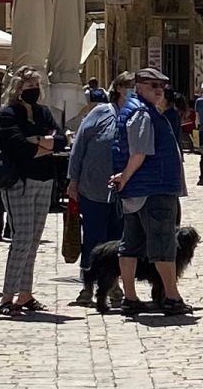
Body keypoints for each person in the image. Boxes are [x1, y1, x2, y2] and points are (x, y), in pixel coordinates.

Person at [109, 67, 191, 316]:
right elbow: (139, 152)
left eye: (162, 86)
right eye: (153, 86)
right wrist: (125, 177)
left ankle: (131, 297)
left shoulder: (140, 110)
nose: (159, 90)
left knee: (131, 243)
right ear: (139, 87)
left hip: (140, 188)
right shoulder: (142, 113)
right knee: (163, 243)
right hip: (153, 188)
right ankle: (171, 297)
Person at [0, 65, 66, 317]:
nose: (34, 90)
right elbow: (16, 147)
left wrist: (37, 142)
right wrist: (45, 145)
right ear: (17, 89)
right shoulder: (7, 114)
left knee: (34, 240)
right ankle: (7, 296)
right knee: (21, 239)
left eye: (36, 86)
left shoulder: (43, 112)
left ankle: (25, 293)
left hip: (45, 181)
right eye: (29, 86)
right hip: (20, 182)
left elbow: (61, 139)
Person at [68, 71, 133, 304]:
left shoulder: (137, 115)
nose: (133, 91)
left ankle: (113, 285)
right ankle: (87, 285)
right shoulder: (99, 112)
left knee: (118, 240)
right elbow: (79, 146)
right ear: (119, 89)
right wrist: (73, 180)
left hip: (123, 191)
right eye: (130, 86)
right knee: (93, 239)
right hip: (93, 188)